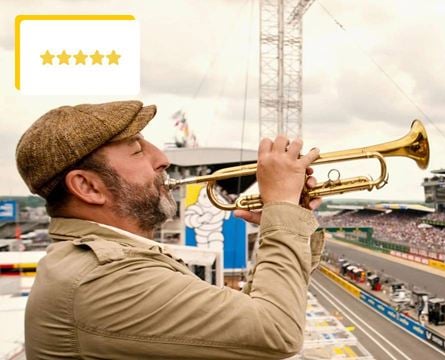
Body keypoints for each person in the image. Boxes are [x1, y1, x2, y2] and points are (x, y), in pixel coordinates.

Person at [16, 100, 325, 359]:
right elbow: (275, 329)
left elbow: (243, 325)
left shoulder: (109, 264)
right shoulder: (102, 278)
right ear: (88, 186)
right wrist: (281, 208)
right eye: (137, 150)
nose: (162, 159)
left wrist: (289, 215)